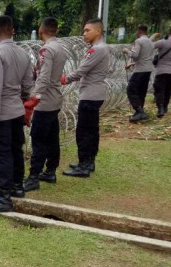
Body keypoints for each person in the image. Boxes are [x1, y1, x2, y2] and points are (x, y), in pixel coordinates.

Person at [0, 15, 34, 215]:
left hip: (1, 112)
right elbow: (28, 85)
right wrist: (20, 101)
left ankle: (3, 197)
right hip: (17, 110)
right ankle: (17, 186)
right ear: (13, 31)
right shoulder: (23, 54)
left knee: (2, 153)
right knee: (15, 150)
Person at [61, 19, 110, 178]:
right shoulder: (98, 48)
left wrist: (63, 80)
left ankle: (84, 165)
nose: (84, 33)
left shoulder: (97, 49)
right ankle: (88, 162)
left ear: (98, 31)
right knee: (90, 130)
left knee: (84, 131)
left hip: (90, 95)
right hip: (93, 93)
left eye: (87, 30)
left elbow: (81, 70)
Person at [23, 17, 68, 192]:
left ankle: (34, 176)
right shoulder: (60, 48)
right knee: (52, 137)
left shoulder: (46, 49)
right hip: (55, 99)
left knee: (39, 139)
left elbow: (44, 77)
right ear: (56, 30)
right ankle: (50, 170)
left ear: (40, 30)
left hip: (45, 101)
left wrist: (35, 98)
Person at [122, 25, 155, 123]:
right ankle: (140, 113)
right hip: (148, 69)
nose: (136, 33)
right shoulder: (150, 41)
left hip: (140, 70)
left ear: (139, 31)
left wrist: (126, 51)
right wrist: (131, 64)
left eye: (136, 31)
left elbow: (135, 55)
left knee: (131, 90)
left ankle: (139, 111)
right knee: (141, 91)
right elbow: (144, 57)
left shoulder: (139, 41)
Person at [151, 29, 171, 118]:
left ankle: (160, 109)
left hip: (161, 70)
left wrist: (153, 36)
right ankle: (165, 107)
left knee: (159, 90)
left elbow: (149, 46)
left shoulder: (163, 42)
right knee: (167, 90)